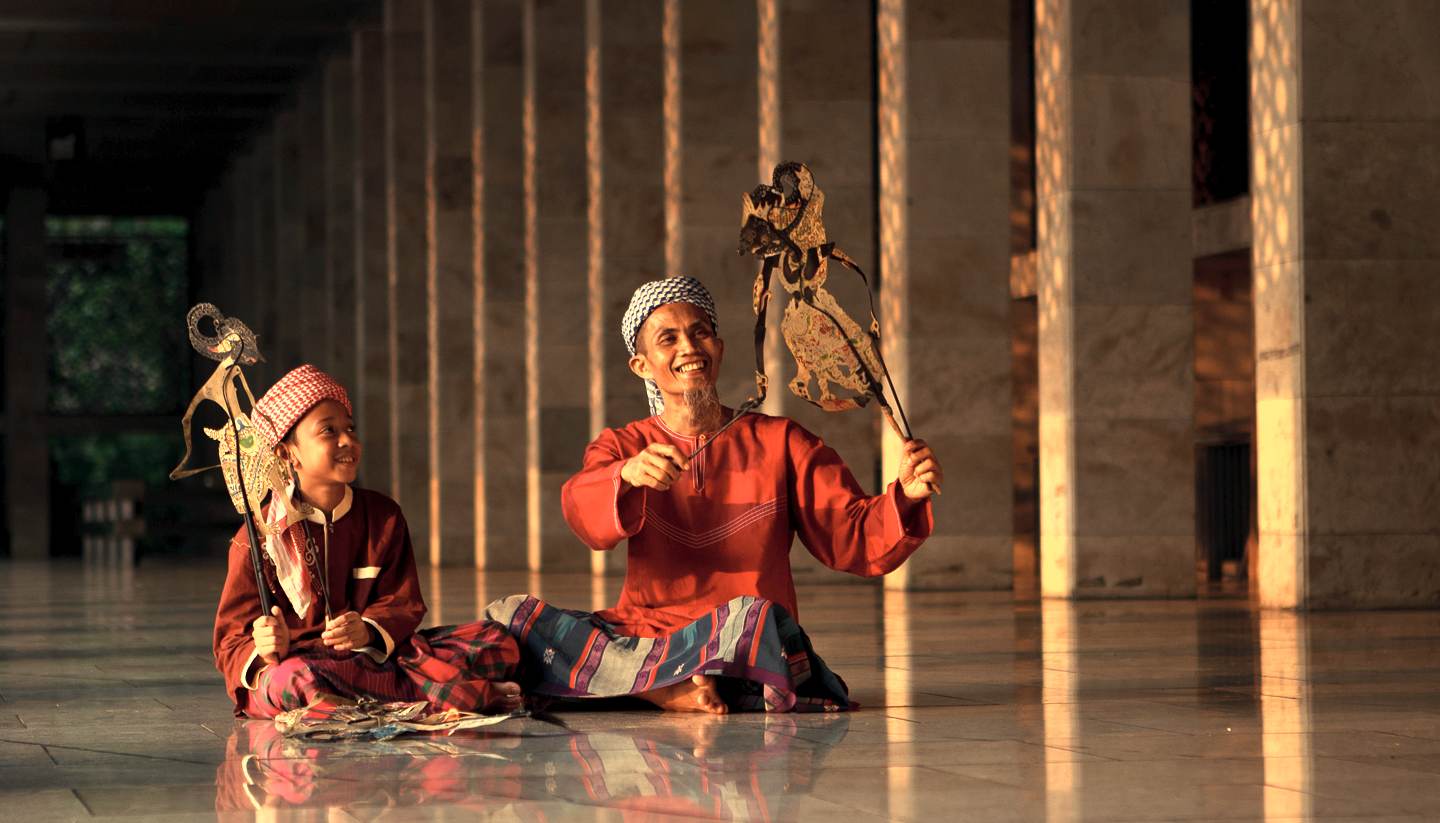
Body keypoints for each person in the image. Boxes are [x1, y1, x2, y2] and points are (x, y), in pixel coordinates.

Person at [485, 276, 942, 713]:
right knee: (512, 618)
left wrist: (904, 495)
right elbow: (584, 515)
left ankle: (649, 684)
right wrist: (627, 475)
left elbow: (850, 535)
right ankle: (666, 689)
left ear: (719, 349)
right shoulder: (623, 446)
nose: (689, 348)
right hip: (649, 636)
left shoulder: (782, 441)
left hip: (740, 637)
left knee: (759, 619)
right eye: (668, 339)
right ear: (641, 365)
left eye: (699, 333)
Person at [213, 365, 522, 719]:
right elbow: (229, 643)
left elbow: (403, 603)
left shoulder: (382, 515)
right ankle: (454, 695)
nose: (347, 441)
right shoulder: (256, 538)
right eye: (328, 431)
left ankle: (356, 707)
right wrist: (263, 646)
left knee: (496, 641)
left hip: (375, 659)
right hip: (303, 666)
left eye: (350, 428)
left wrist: (369, 631)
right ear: (287, 454)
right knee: (290, 680)